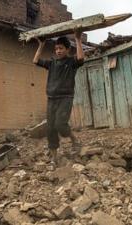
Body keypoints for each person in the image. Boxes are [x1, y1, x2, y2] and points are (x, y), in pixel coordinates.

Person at [33, 30, 84, 164]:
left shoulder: (71, 62)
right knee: (50, 128)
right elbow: (35, 60)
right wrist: (41, 44)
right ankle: (54, 157)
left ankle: (73, 138)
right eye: (56, 49)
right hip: (51, 98)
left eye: (61, 48)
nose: (58, 51)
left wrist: (78, 39)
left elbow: (80, 59)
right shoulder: (52, 63)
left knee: (60, 124)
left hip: (65, 97)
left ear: (68, 49)